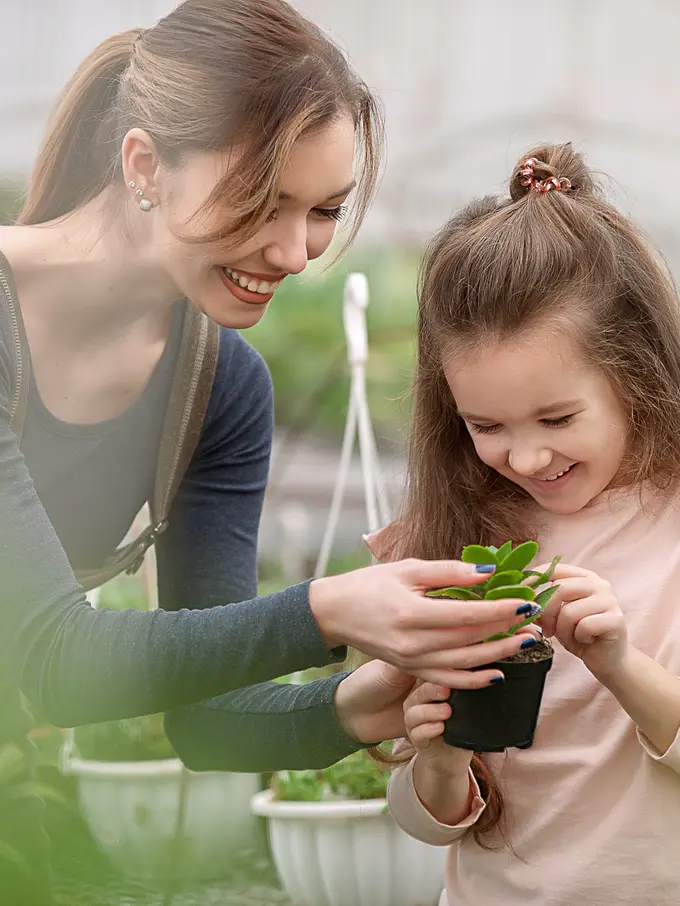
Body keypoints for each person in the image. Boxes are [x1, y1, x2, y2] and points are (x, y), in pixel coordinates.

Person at [0, 2, 536, 902]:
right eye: (260, 202)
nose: (294, 250)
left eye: (324, 210)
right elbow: (53, 664)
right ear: (143, 166)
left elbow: (205, 728)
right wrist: (328, 608)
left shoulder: (219, 388)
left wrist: (355, 704)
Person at [377, 143, 680, 906]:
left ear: (636, 372)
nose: (527, 454)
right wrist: (440, 762)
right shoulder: (447, 537)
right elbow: (431, 820)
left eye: (558, 416)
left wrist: (616, 661)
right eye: (486, 425)